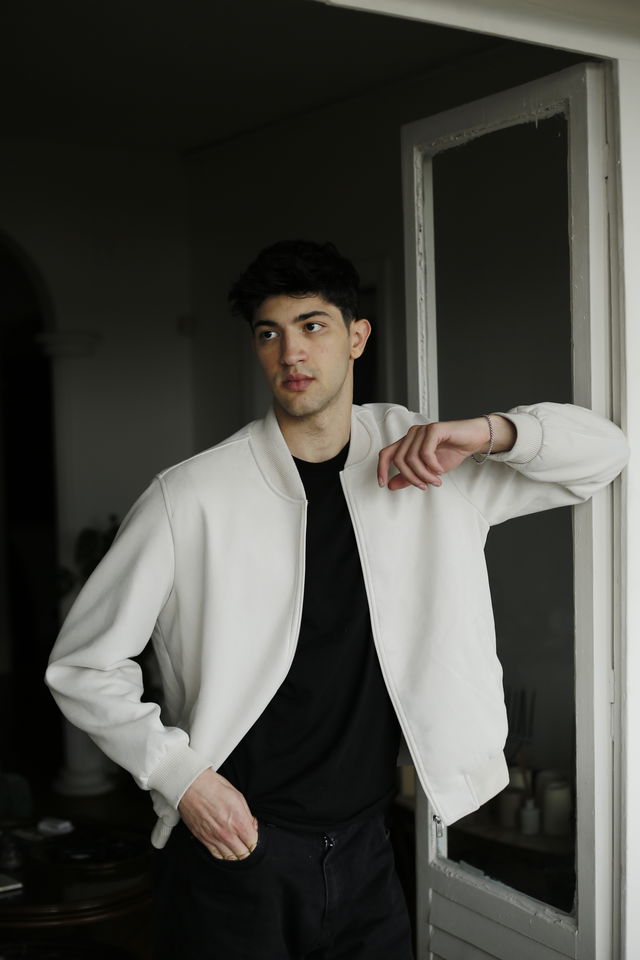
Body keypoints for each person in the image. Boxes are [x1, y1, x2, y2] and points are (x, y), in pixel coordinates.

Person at [45, 240, 629, 959]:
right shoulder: (190, 496)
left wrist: (484, 433)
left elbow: (604, 454)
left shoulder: (430, 463)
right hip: (237, 848)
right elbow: (83, 666)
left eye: (313, 325)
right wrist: (182, 780)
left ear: (357, 336)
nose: (291, 352)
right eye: (270, 333)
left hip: (367, 848)